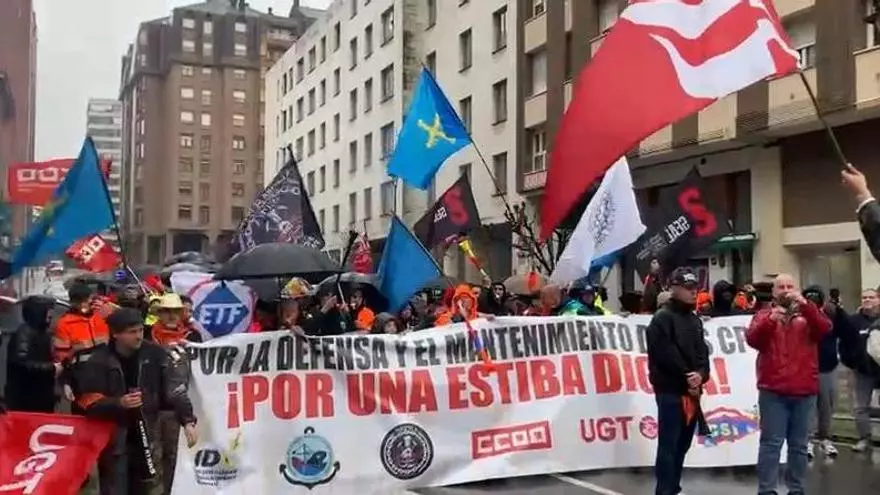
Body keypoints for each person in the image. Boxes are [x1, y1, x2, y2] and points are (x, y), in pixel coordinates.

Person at [71, 308, 198, 495]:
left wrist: (187, 420)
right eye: (132, 332)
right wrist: (118, 403)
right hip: (115, 439)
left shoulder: (155, 354)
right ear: (115, 334)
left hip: (148, 434)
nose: (138, 336)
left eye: (140, 330)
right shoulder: (99, 361)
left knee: (149, 486)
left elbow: (173, 390)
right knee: (116, 488)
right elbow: (87, 402)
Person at [746, 274, 831, 495]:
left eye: (789, 286)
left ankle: (797, 489)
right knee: (771, 445)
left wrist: (806, 305)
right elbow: (753, 339)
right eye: (780, 286)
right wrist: (770, 320)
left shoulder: (809, 313)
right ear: (773, 292)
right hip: (773, 390)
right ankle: (767, 490)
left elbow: (825, 329)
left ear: (797, 289)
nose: (785, 290)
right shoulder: (764, 314)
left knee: (799, 446)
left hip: (804, 390)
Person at [645, 267, 711, 495]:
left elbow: (703, 354)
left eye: (695, 288)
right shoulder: (662, 319)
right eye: (688, 288)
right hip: (670, 391)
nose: (694, 293)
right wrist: (689, 378)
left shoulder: (694, 321)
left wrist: (701, 375)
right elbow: (664, 355)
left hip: (691, 393)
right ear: (674, 288)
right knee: (669, 446)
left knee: (682, 444)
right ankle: (664, 490)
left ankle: (674, 487)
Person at [145, 293, 201, 494]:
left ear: (181, 313)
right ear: (159, 313)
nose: (171, 316)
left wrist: (188, 418)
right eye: (166, 311)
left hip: (176, 409)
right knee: (150, 459)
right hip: (149, 407)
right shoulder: (146, 335)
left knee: (174, 459)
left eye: (175, 311)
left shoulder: (192, 337)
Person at [802, 286, 843, 459]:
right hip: (805, 368)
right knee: (808, 408)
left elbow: (844, 331)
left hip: (828, 366)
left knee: (827, 406)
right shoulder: (799, 317)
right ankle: (808, 441)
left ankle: (826, 439)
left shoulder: (830, 314)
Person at [839, 288, 880, 452]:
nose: (868, 300)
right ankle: (865, 439)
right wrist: (851, 363)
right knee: (860, 407)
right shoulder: (852, 321)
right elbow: (843, 343)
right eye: (864, 297)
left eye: (871, 297)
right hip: (863, 370)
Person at [4, 296, 62, 412]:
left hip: (40, 395)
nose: (51, 314)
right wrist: (51, 368)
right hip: (25, 398)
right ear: (38, 312)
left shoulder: (43, 333)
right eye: (48, 309)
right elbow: (21, 364)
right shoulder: (24, 333)